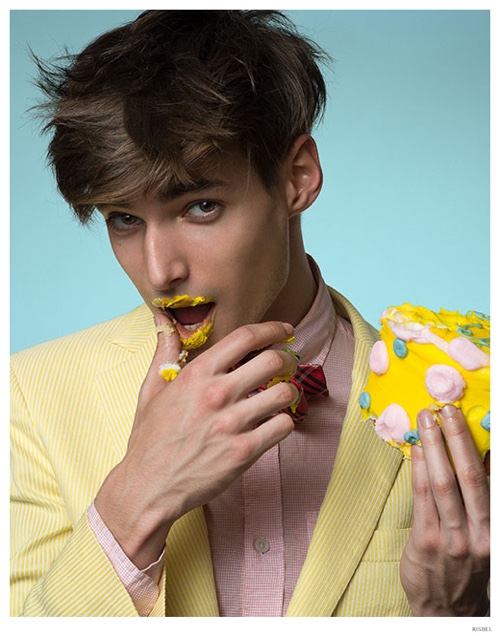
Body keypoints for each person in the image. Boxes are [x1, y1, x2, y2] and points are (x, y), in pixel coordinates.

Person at [10, 10, 490, 617]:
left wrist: (454, 614)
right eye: (123, 219)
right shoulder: (30, 394)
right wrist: (135, 499)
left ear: (297, 178)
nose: (159, 271)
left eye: (200, 206)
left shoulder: (462, 397)